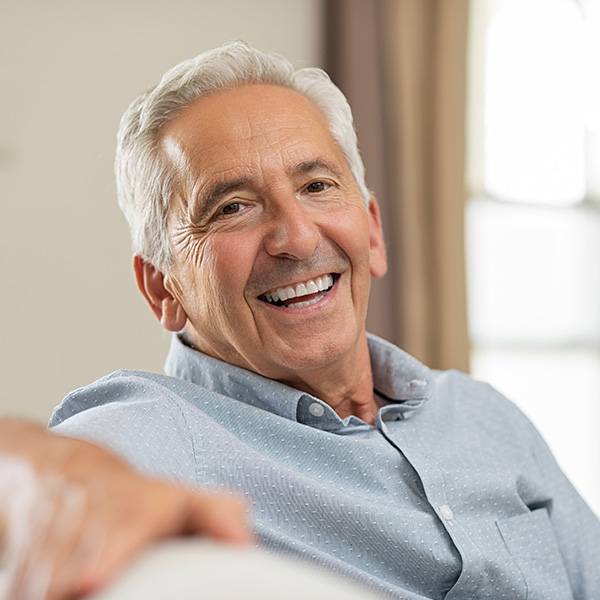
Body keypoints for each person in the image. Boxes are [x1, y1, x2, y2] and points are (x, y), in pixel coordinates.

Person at [1, 41, 599, 600]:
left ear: (372, 231)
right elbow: (33, 471)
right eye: (232, 207)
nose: (297, 235)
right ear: (164, 288)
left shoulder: (484, 415)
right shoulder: (160, 432)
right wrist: (50, 477)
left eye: (316, 185)